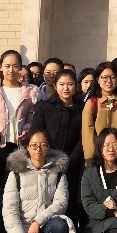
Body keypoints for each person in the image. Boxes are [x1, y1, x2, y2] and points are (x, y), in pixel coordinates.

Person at [2, 130, 72, 233]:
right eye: (34, 145)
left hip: (46, 225)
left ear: (48, 148)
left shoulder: (58, 172)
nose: (38, 149)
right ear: (28, 147)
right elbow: (9, 210)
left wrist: (38, 221)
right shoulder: (16, 173)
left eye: (43, 145)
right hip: (23, 228)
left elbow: (61, 203)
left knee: (60, 225)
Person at [30, 68, 86, 221]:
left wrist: (71, 160)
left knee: (70, 202)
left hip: (74, 163)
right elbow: (37, 133)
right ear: (55, 86)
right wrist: (47, 157)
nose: (66, 88)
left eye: (70, 84)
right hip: (47, 162)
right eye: (61, 84)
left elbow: (84, 138)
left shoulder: (82, 108)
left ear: (76, 86)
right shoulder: (45, 107)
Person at [82, 62, 117, 167]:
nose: (109, 81)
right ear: (98, 80)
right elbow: (88, 135)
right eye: (104, 77)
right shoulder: (92, 103)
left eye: (113, 77)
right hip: (99, 161)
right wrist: (92, 161)